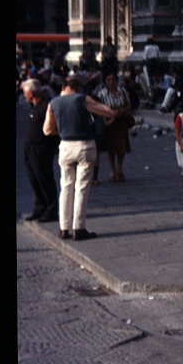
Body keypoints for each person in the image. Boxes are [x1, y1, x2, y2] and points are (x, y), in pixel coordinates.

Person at [43, 76, 115, 241]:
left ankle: (64, 228)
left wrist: (63, 130)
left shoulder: (53, 103)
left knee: (66, 186)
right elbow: (108, 112)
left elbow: (47, 130)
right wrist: (100, 106)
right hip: (84, 145)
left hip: (65, 146)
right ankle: (79, 228)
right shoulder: (82, 99)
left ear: (63, 87)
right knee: (82, 187)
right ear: (77, 88)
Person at [21, 79, 60, 223]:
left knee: (44, 178)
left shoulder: (46, 105)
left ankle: (51, 210)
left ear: (31, 93)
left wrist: (53, 146)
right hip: (31, 147)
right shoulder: (36, 106)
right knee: (34, 179)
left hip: (41, 147)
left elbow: (54, 126)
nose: (24, 96)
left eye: (25, 93)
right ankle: (40, 207)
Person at [96, 71, 132, 182]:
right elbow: (99, 108)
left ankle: (119, 168)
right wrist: (109, 112)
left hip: (121, 121)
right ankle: (112, 171)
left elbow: (129, 104)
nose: (111, 82)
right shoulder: (102, 94)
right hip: (110, 122)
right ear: (105, 82)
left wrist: (123, 110)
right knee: (111, 148)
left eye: (113, 80)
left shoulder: (122, 91)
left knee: (122, 146)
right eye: (109, 80)